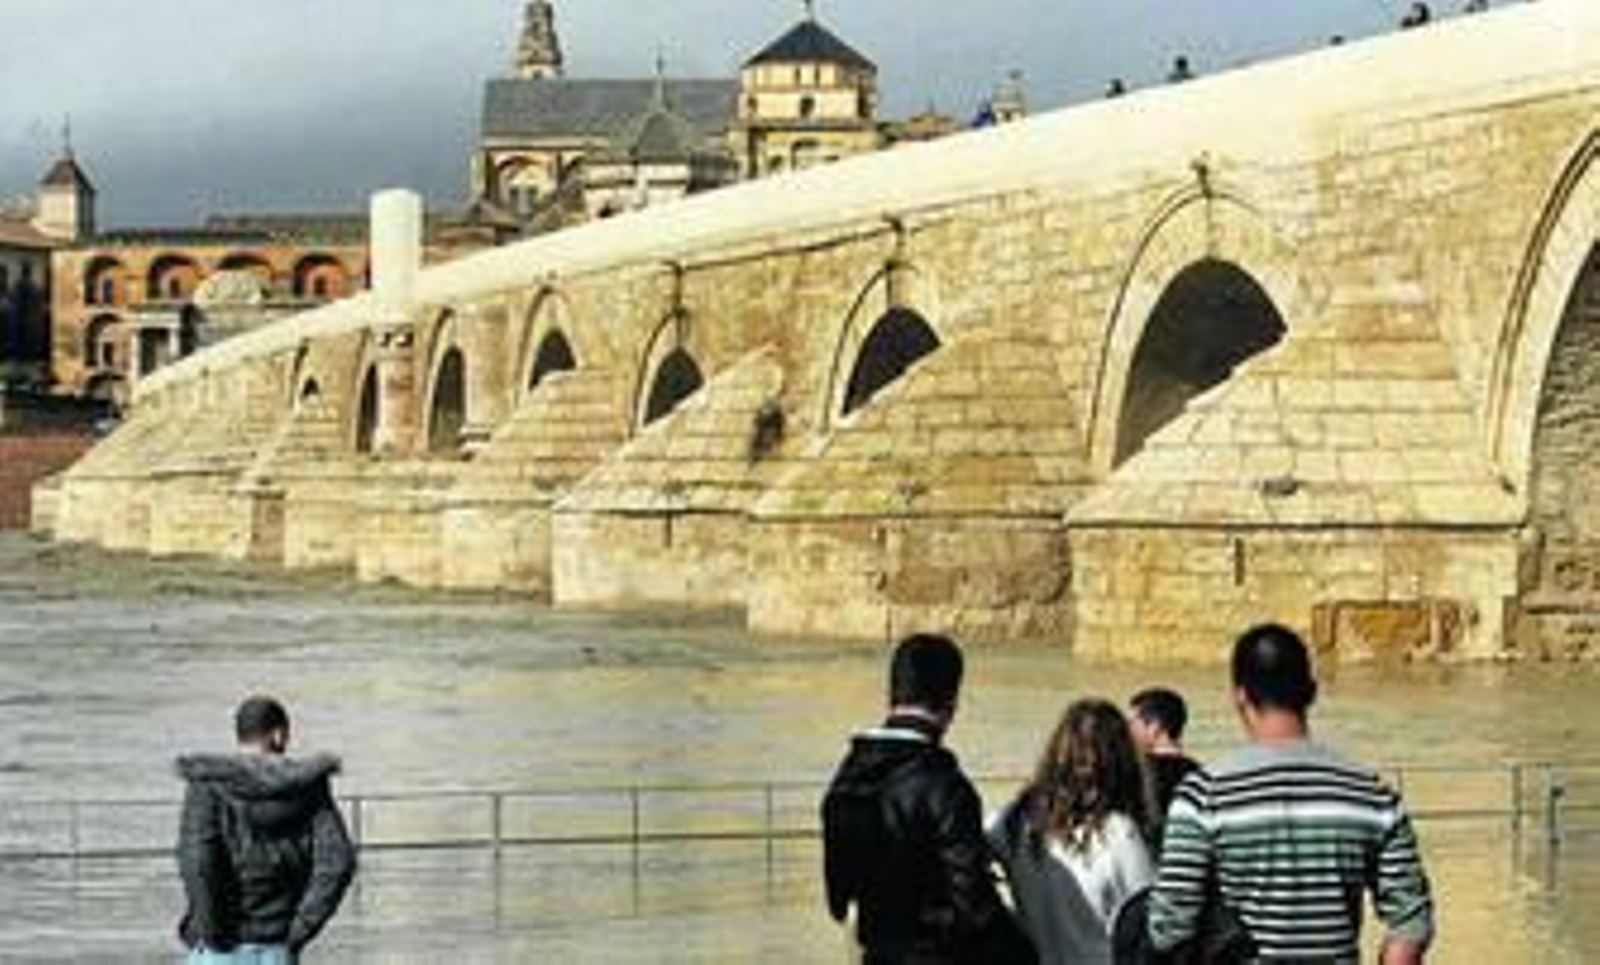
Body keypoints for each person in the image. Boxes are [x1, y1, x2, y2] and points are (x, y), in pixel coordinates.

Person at [1146, 624, 1435, 964]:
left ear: (1240, 695)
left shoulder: (1203, 796)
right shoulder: (1373, 796)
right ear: (1311, 691)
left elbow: (1169, 929)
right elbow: (1411, 923)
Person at [821, 633, 1034, 964]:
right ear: (952, 702)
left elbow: (838, 902)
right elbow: (975, 910)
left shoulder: (844, 783)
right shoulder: (946, 787)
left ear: (892, 694)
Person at [176, 696, 357, 964]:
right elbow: (338, 863)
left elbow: (197, 863)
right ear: (279, 734)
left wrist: (212, 931)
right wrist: (299, 931)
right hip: (277, 947)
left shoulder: (207, 786)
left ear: (240, 735)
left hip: (217, 949)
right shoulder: (309, 787)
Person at [988, 699, 1154, 965]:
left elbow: (961, 860)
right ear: (1123, 759)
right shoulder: (1119, 833)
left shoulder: (1012, 822)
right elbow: (1151, 932)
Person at [1128, 687, 1199, 851]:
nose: (1127, 730)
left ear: (1155, 727)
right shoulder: (1199, 772)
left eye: (1132, 723)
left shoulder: (1134, 773)